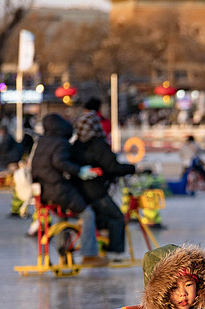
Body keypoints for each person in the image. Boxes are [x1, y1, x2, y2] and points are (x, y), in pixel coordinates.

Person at [30, 113, 103, 264]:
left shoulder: (42, 141)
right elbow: (59, 162)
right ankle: (89, 255)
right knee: (88, 214)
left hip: (44, 191)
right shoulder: (60, 142)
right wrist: (80, 171)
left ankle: (63, 254)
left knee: (60, 216)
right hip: (58, 189)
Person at [70, 112, 136, 262]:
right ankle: (115, 252)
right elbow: (112, 167)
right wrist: (132, 168)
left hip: (79, 191)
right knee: (116, 217)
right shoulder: (98, 145)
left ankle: (101, 248)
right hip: (96, 191)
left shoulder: (76, 145)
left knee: (101, 218)